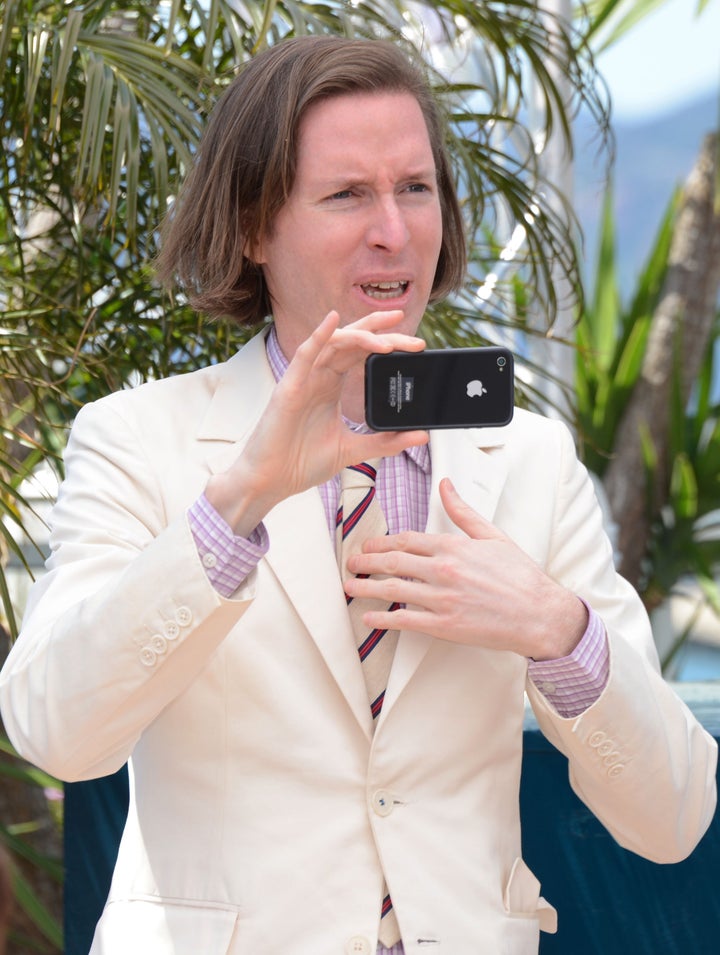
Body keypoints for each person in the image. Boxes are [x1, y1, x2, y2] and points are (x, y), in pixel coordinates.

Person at [0, 35, 716, 955]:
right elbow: (57, 732)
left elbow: (676, 815)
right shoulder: (139, 438)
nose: (396, 229)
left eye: (415, 188)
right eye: (347, 194)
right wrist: (238, 504)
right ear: (254, 227)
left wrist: (554, 626)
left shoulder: (530, 459)